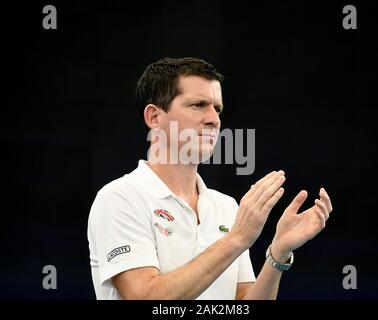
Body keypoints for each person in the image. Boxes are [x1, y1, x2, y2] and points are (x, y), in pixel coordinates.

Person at [87, 57, 333, 300]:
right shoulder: (119, 199)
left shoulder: (226, 207)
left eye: (217, 108)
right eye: (197, 105)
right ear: (154, 117)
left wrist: (278, 253)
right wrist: (236, 238)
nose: (214, 119)